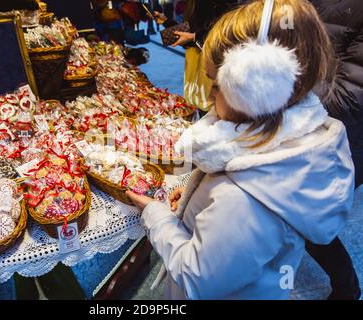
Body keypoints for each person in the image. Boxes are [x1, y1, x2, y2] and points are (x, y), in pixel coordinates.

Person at [126, 0, 355, 299]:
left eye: (217, 85)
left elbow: (197, 278)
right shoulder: (275, 145)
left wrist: (156, 215)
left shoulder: (245, 199)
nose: (209, 95)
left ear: (256, 85)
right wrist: (199, 194)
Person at [302, 0, 362, 300]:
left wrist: (280, 90)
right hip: (306, 130)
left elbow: (350, 98)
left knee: (312, 222)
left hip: (345, 141)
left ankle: (348, 289)